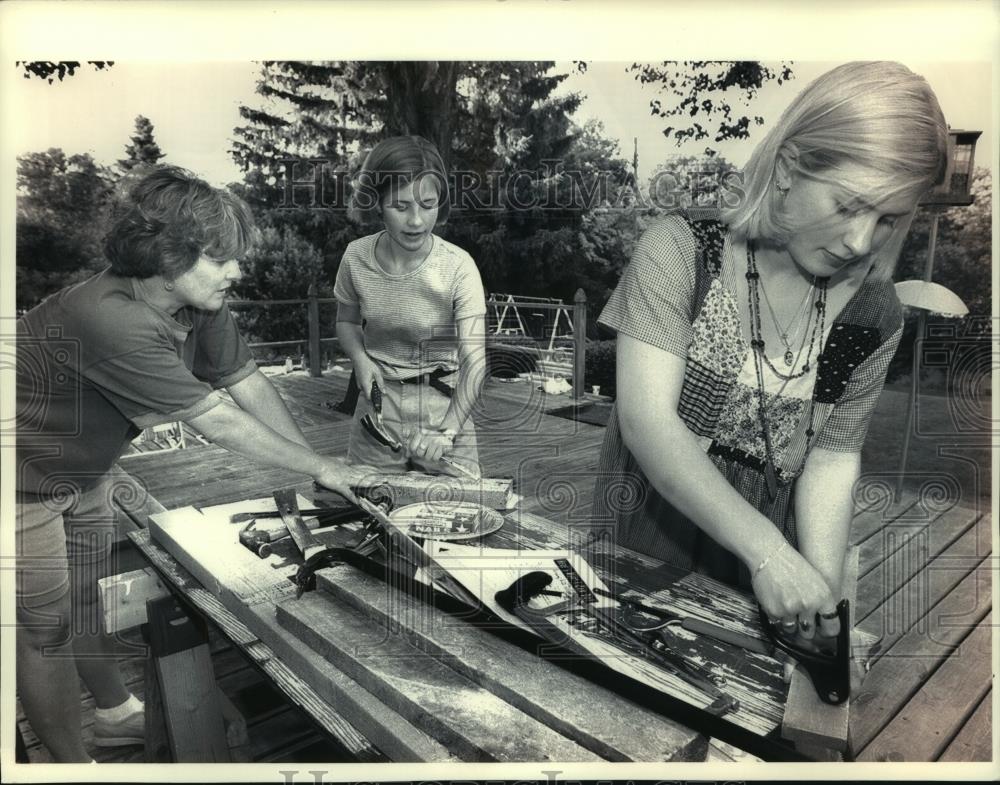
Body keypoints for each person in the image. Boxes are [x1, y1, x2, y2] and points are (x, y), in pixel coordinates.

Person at [15, 165, 364, 762]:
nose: (238, 271)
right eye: (222, 258)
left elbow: (247, 384)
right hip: (16, 480)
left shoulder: (200, 303)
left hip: (87, 468)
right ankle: (73, 770)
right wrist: (330, 472)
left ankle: (114, 713)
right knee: (43, 629)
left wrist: (315, 466)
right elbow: (218, 419)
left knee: (84, 600)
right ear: (167, 253)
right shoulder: (108, 315)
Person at [592, 62, 948, 647]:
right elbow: (647, 422)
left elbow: (832, 460)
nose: (860, 241)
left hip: (769, 557)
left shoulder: (876, 315)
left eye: (886, 218)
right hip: (649, 531)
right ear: (788, 168)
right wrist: (770, 554)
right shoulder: (681, 252)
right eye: (849, 205)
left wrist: (821, 602)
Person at [335, 135, 487, 477]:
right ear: (377, 203)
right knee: (370, 507)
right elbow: (345, 322)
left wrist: (448, 431)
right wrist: (360, 359)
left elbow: (475, 362)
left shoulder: (459, 267)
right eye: (400, 206)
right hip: (377, 402)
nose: (416, 220)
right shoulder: (355, 257)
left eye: (428, 205)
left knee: (460, 515)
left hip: (445, 407)